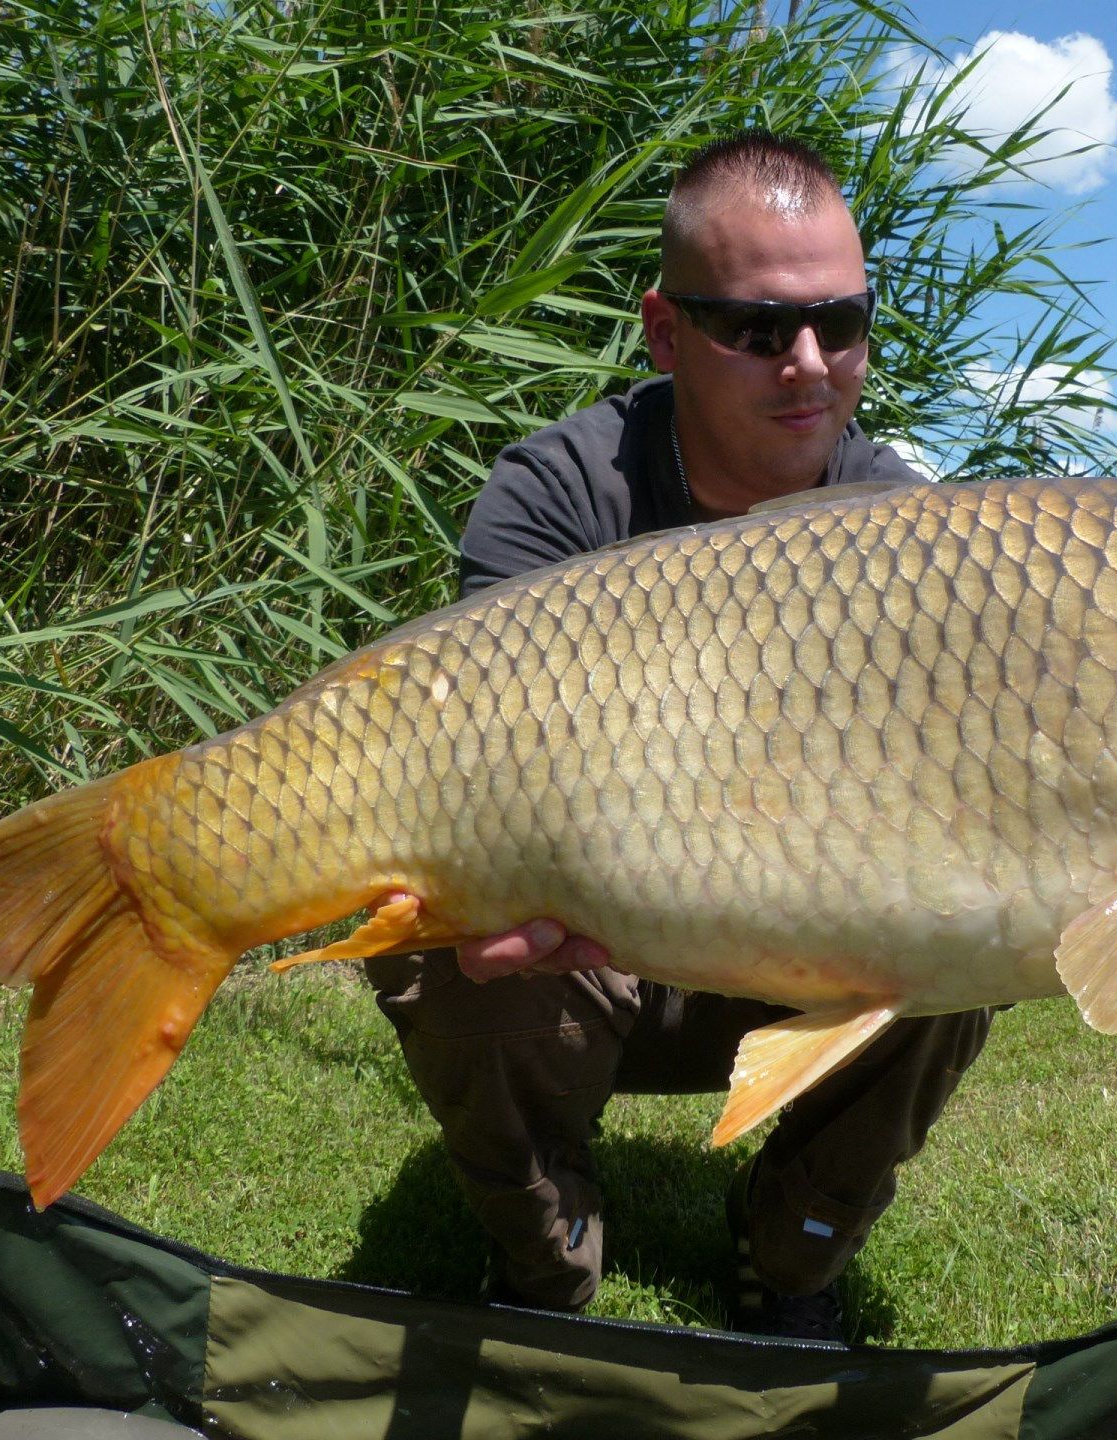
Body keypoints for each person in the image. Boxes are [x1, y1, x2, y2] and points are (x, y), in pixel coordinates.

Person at [365, 131, 993, 1345]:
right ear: (663, 333)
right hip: (592, 949)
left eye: (844, 322)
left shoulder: (910, 527)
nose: (810, 366)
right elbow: (475, 770)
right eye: (760, 331)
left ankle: (791, 1253)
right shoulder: (555, 496)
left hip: (801, 945)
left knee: (964, 949)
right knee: (444, 941)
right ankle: (549, 1267)